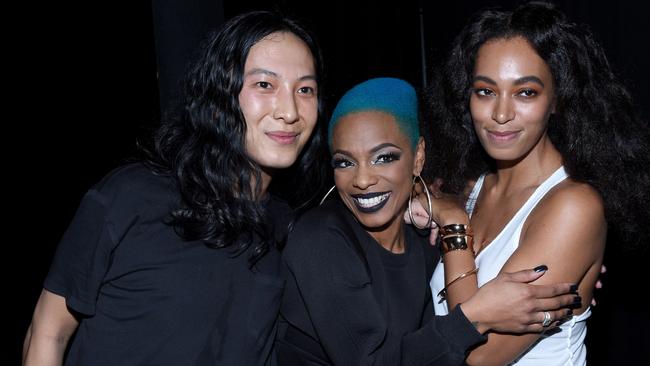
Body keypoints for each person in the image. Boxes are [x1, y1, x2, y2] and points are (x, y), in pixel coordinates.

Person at [22, 10, 327, 366]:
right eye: (264, 84)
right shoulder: (131, 196)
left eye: (304, 89)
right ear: (220, 93)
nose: (290, 110)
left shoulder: (290, 231)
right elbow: (48, 332)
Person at [275, 77, 579, 365]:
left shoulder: (424, 242)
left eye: (384, 157)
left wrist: (571, 260)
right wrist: (475, 316)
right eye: (345, 162)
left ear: (418, 156)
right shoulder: (319, 238)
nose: (363, 180)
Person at [421, 2, 650, 365]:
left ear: (557, 99)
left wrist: (453, 226)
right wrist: (420, 198)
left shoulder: (574, 207)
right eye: (485, 91)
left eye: (525, 92)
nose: (500, 114)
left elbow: (478, 357)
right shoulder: (470, 187)